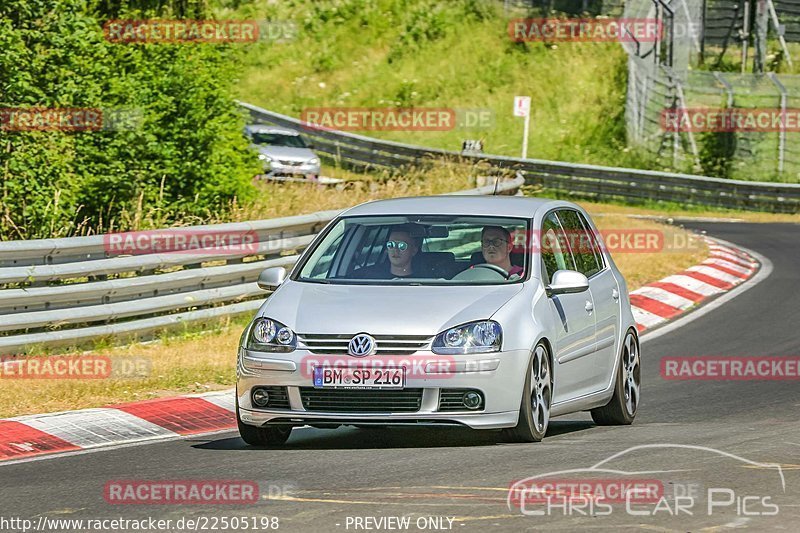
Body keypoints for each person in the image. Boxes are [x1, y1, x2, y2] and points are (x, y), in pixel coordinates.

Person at [353, 224, 421, 279]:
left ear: (414, 251)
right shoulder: (367, 278)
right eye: (391, 245)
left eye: (402, 246)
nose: (396, 250)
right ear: (386, 249)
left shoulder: (425, 281)